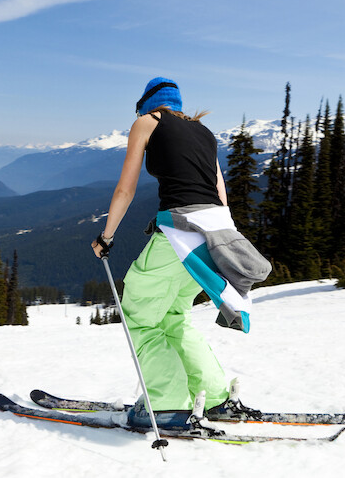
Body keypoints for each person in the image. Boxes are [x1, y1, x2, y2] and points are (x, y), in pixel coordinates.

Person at [91, 77, 270, 429]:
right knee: (175, 316)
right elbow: (221, 194)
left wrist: (106, 236)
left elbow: (126, 189)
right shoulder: (204, 132)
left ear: (148, 103)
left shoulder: (147, 122)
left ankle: (166, 405)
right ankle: (216, 397)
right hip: (215, 235)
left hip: (181, 231)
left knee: (141, 315)